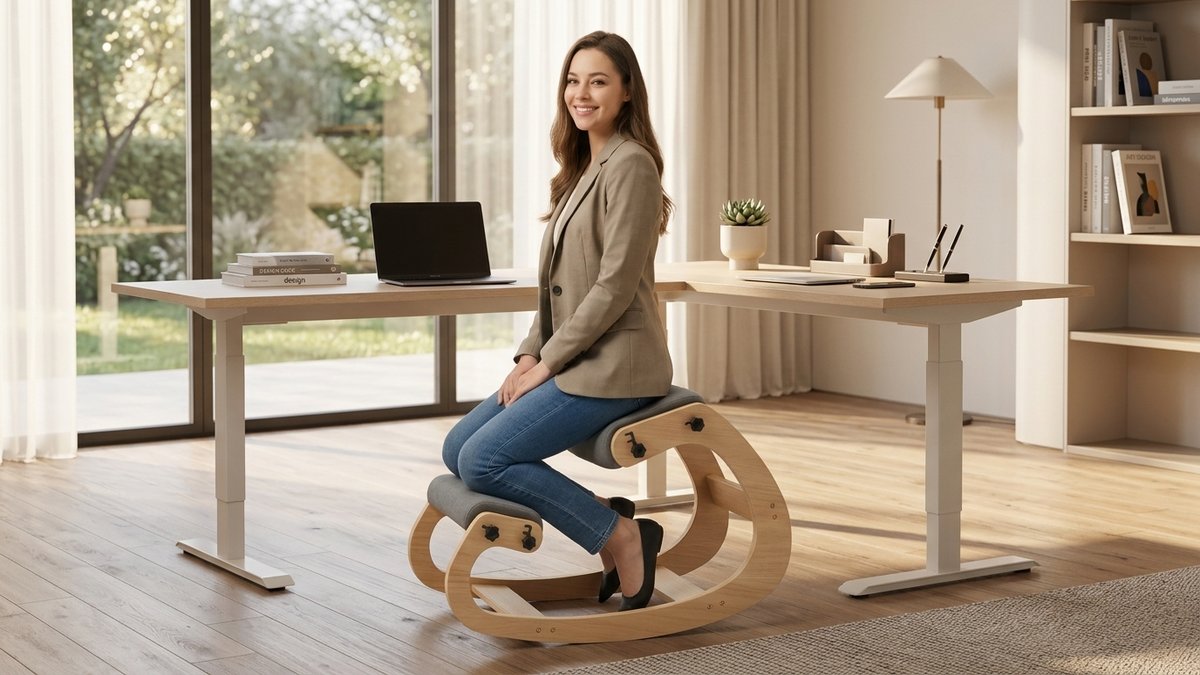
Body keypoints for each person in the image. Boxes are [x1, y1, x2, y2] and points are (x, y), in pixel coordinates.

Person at [441, 31, 673, 612]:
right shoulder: (580, 167)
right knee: (457, 449)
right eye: (574, 80)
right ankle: (611, 519)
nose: (582, 93)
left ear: (625, 93)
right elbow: (557, 290)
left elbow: (613, 288)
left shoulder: (631, 166)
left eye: (598, 81)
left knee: (484, 459)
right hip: (573, 356)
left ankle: (618, 536)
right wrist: (526, 354)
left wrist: (547, 365)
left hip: (617, 365)